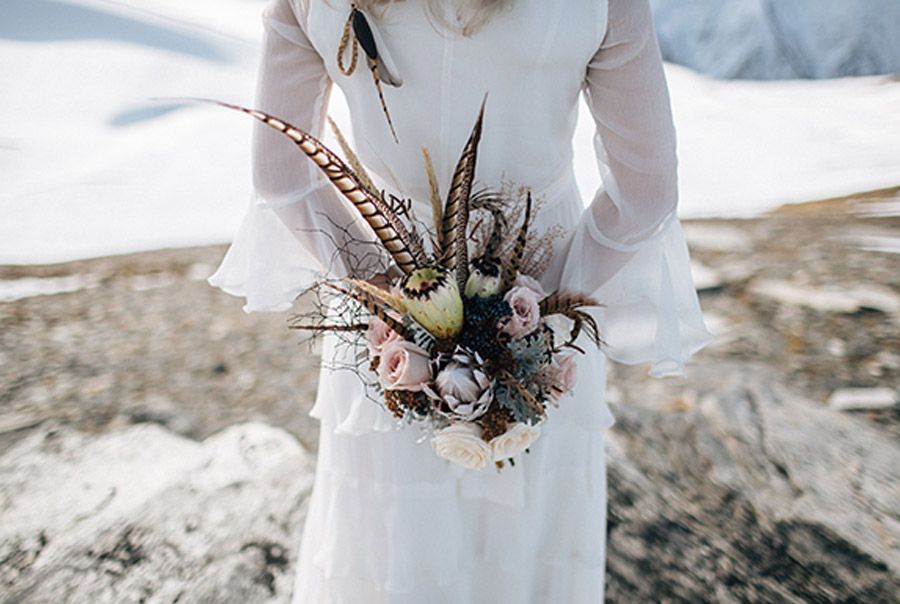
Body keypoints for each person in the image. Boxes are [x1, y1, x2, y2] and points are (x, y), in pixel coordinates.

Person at [208, 0, 712, 601]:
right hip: (543, 304)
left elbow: (283, 175)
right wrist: (537, 310)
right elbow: (646, 192)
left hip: (386, 333)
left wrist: (397, 308)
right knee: (529, 553)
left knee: (391, 549)